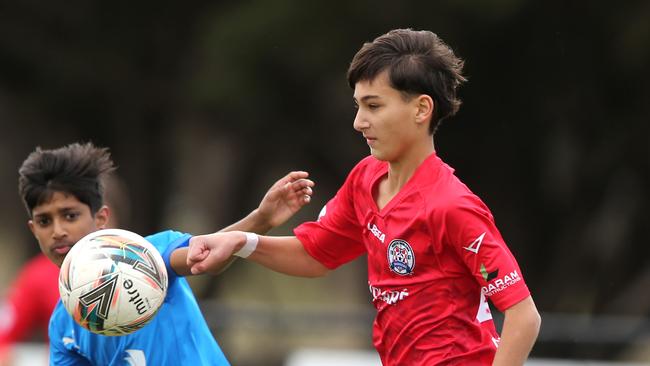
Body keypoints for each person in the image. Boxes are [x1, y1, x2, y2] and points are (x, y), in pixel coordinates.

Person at [186, 29, 541, 365]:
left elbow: (523, 316)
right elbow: (316, 255)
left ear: (421, 109)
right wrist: (241, 242)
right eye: (358, 106)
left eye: (373, 106)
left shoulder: (451, 206)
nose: (358, 122)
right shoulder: (366, 178)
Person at [17, 142, 314, 366]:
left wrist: (260, 218)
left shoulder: (143, 258)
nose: (57, 231)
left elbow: (206, 255)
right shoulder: (62, 326)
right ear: (33, 229)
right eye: (45, 221)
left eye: (69, 216)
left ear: (101, 219)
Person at [0, 171, 132, 366]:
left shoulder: (147, 264)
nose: (61, 229)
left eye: (73, 215)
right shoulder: (39, 275)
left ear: (105, 217)